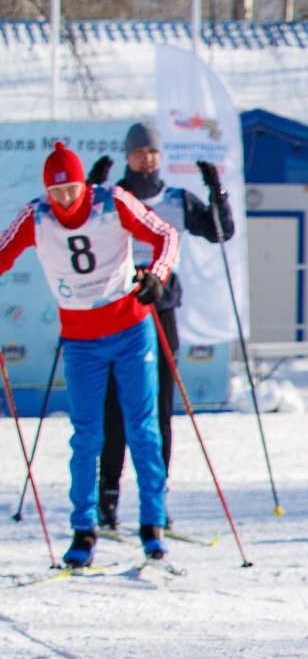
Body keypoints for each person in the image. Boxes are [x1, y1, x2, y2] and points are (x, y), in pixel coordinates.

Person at [0, 143, 178, 566]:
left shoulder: (112, 201)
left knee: (143, 429)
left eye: (72, 189)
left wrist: (157, 275)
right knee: (86, 436)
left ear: (83, 184)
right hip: (80, 340)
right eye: (56, 192)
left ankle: (152, 525)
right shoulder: (37, 216)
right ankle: (84, 530)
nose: (64, 200)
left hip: (131, 330)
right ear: (47, 191)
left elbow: (165, 234)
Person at [96, 122, 234, 534]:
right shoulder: (113, 197)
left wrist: (217, 192)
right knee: (114, 410)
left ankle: (156, 500)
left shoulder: (173, 198)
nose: (146, 159)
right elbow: (79, 227)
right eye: (139, 153)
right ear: (128, 156)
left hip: (160, 309)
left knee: (158, 412)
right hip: (116, 310)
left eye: (152, 152)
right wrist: (90, 187)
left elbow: (220, 231)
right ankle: (107, 500)